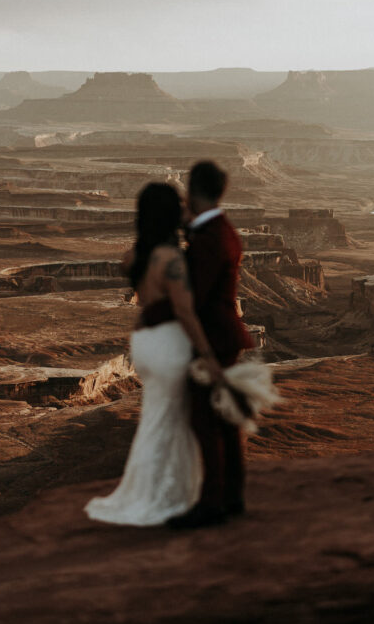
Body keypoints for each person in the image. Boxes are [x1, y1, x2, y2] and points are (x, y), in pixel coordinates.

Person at [85, 182, 223, 526]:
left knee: (158, 418)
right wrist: (207, 354)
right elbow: (185, 311)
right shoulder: (171, 259)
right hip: (169, 344)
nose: (183, 207)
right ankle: (168, 497)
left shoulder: (134, 256)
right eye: (178, 204)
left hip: (144, 342)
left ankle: (155, 492)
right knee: (175, 422)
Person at [167, 160, 256, 529]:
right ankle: (231, 495)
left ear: (192, 191)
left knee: (204, 420)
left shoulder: (206, 242)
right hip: (226, 335)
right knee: (226, 419)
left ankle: (211, 502)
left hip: (211, 340)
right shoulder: (224, 230)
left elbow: (192, 297)